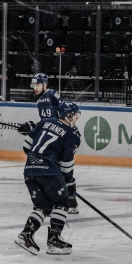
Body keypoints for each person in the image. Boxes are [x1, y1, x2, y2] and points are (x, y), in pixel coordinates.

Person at [15, 101, 81, 255]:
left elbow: (26, 147)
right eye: (75, 114)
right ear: (69, 115)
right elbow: (66, 164)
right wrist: (68, 179)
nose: (77, 118)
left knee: (43, 206)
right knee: (62, 202)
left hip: (30, 170)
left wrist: (40, 159)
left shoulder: (44, 122)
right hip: (49, 173)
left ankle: (26, 235)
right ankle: (54, 240)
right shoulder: (70, 132)